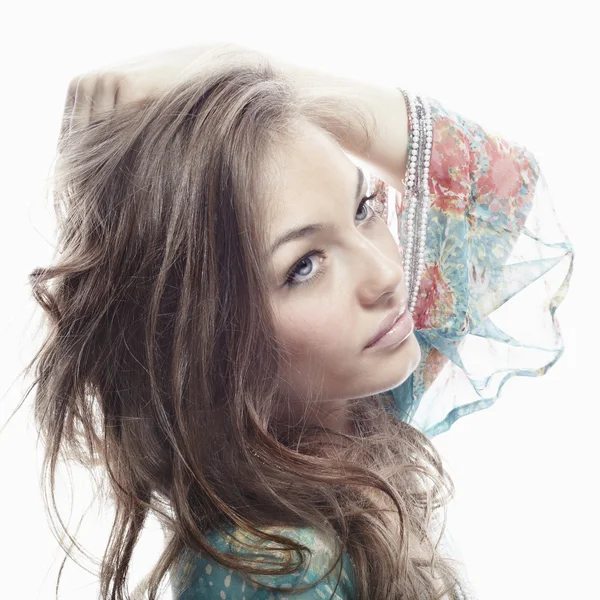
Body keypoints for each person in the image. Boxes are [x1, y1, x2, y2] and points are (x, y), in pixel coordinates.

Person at [25, 43, 574, 599]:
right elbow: (498, 196)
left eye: (364, 209)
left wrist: (247, 76)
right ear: (206, 341)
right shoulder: (271, 566)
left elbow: (499, 192)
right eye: (304, 266)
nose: (385, 274)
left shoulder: (355, 419)